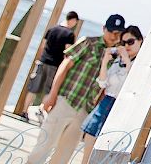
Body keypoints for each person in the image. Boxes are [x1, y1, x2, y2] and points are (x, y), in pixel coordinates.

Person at [31, 13, 126, 164]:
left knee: (64, 154)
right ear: (104, 28)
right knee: (44, 145)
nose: (114, 36)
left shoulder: (117, 57)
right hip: (66, 100)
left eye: (118, 33)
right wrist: (53, 94)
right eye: (111, 31)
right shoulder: (88, 42)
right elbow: (64, 66)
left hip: (85, 110)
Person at [77, 26, 143, 164]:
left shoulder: (142, 63)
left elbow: (133, 83)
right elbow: (102, 83)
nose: (126, 46)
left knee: (108, 147)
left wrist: (127, 60)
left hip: (122, 107)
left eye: (130, 42)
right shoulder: (118, 61)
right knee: (90, 138)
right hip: (106, 102)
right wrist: (105, 62)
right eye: (123, 43)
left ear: (140, 41)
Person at [24, 11, 80, 114]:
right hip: (55, 65)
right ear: (73, 20)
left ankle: (25, 111)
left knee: (33, 88)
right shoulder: (70, 34)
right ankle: (41, 111)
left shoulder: (52, 29)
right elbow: (67, 52)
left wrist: (39, 58)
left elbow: (43, 45)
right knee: (49, 90)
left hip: (43, 61)